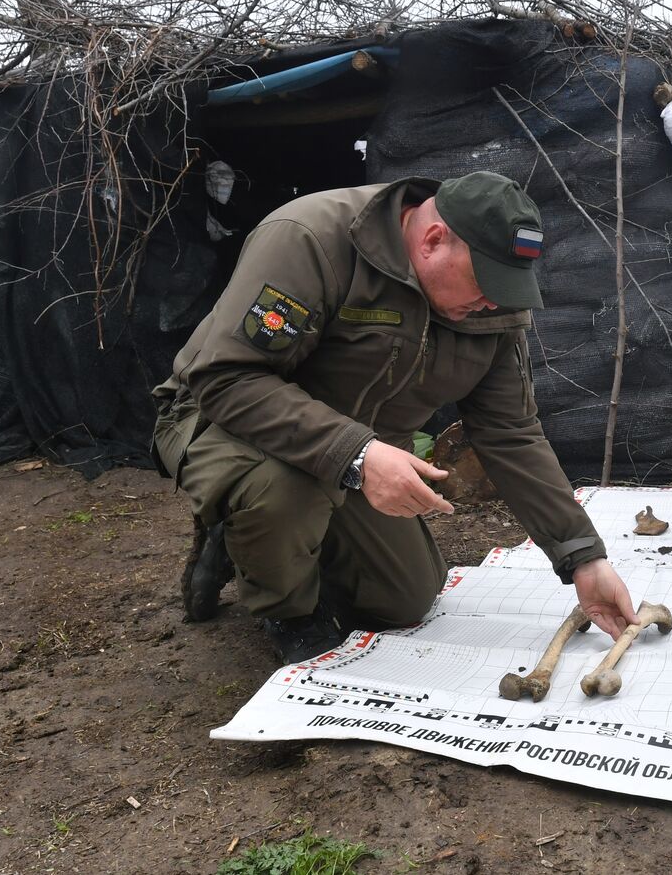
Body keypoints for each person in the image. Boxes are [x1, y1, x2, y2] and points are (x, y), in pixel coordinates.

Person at [150, 172, 638, 663]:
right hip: (226, 419)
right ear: (431, 241)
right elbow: (227, 378)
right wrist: (358, 455)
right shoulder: (309, 237)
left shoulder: (492, 309)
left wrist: (583, 557)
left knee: (405, 599)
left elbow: (510, 432)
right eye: (485, 281)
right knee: (283, 493)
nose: (492, 301)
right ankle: (289, 607)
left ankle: (264, 542)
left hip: (360, 445)